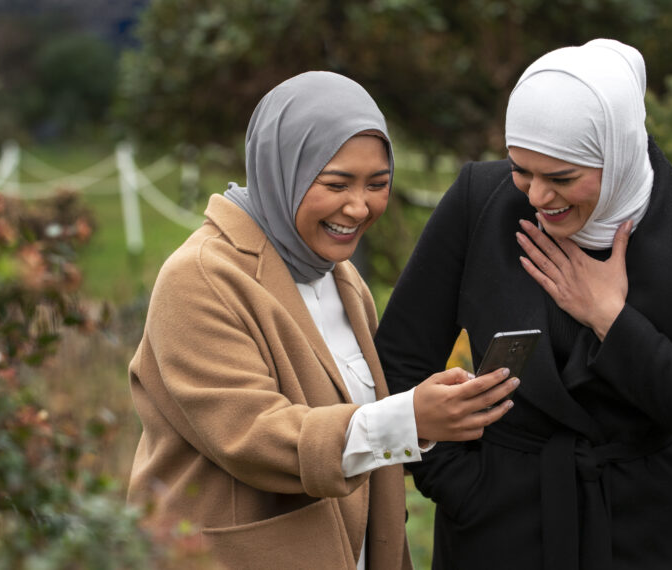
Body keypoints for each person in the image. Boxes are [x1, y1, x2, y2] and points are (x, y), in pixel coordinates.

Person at [375, 39, 672, 569]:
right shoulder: (480, 201)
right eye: (521, 169)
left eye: (562, 177)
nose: (537, 196)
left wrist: (611, 320)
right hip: (497, 531)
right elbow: (397, 363)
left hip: (649, 534)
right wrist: (462, 486)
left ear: (618, 152)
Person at [126, 71, 517, 570]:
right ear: (281, 170)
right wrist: (406, 419)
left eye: (378, 184)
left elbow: (356, 430)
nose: (358, 207)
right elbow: (251, 436)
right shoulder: (201, 276)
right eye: (336, 183)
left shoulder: (341, 279)